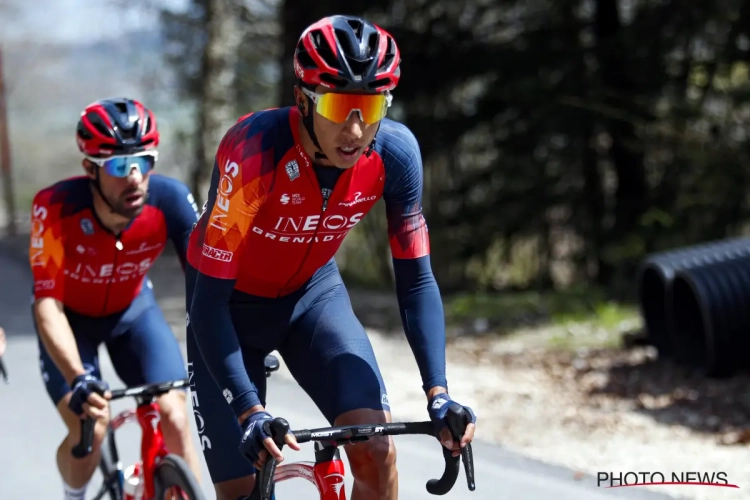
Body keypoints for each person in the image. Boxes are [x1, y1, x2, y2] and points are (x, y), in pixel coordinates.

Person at [185, 14, 478, 500]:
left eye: (371, 105)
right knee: (243, 492)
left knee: (376, 453)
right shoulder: (255, 152)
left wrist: (439, 394)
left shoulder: (396, 153)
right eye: (341, 105)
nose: (356, 128)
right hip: (226, 312)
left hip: (312, 302)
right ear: (304, 99)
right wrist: (249, 410)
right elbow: (209, 300)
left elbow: (417, 281)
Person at [29, 97, 203, 500]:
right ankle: (74, 494)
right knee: (93, 423)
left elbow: (208, 283)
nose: (136, 177)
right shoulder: (54, 208)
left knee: (175, 416)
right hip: (70, 324)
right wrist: (78, 377)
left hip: (133, 315)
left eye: (145, 161)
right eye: (121, 166)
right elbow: (47, 304)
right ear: (89, 168)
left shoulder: (171, 200)